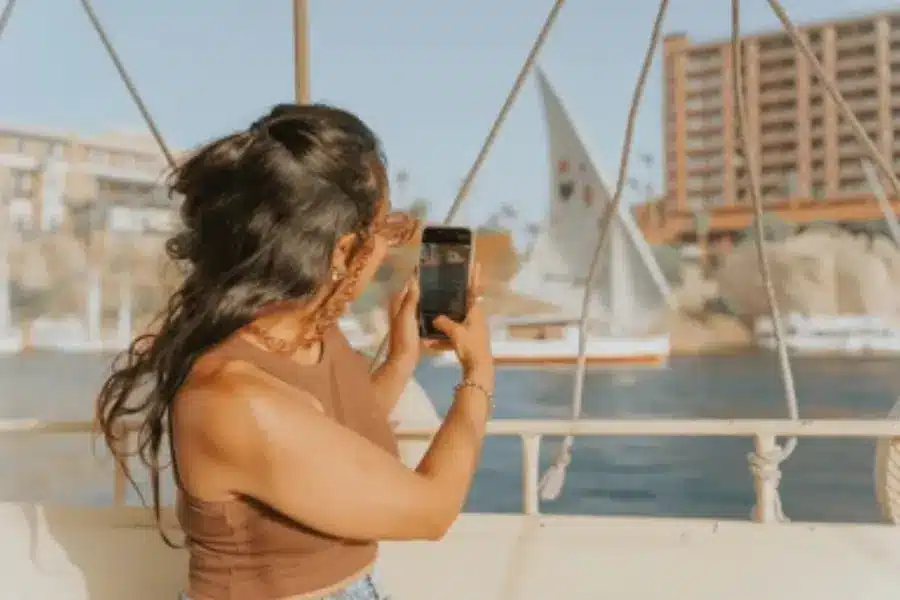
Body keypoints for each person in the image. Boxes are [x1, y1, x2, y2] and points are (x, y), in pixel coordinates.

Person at [95, 103, 495, 600]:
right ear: (342, 251)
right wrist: (479, 372)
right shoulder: (232, 399)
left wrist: (400, 359)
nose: (387, 249)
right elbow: (432, 511)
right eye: (381, 232)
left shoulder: (312, 331)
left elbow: (334, 447)